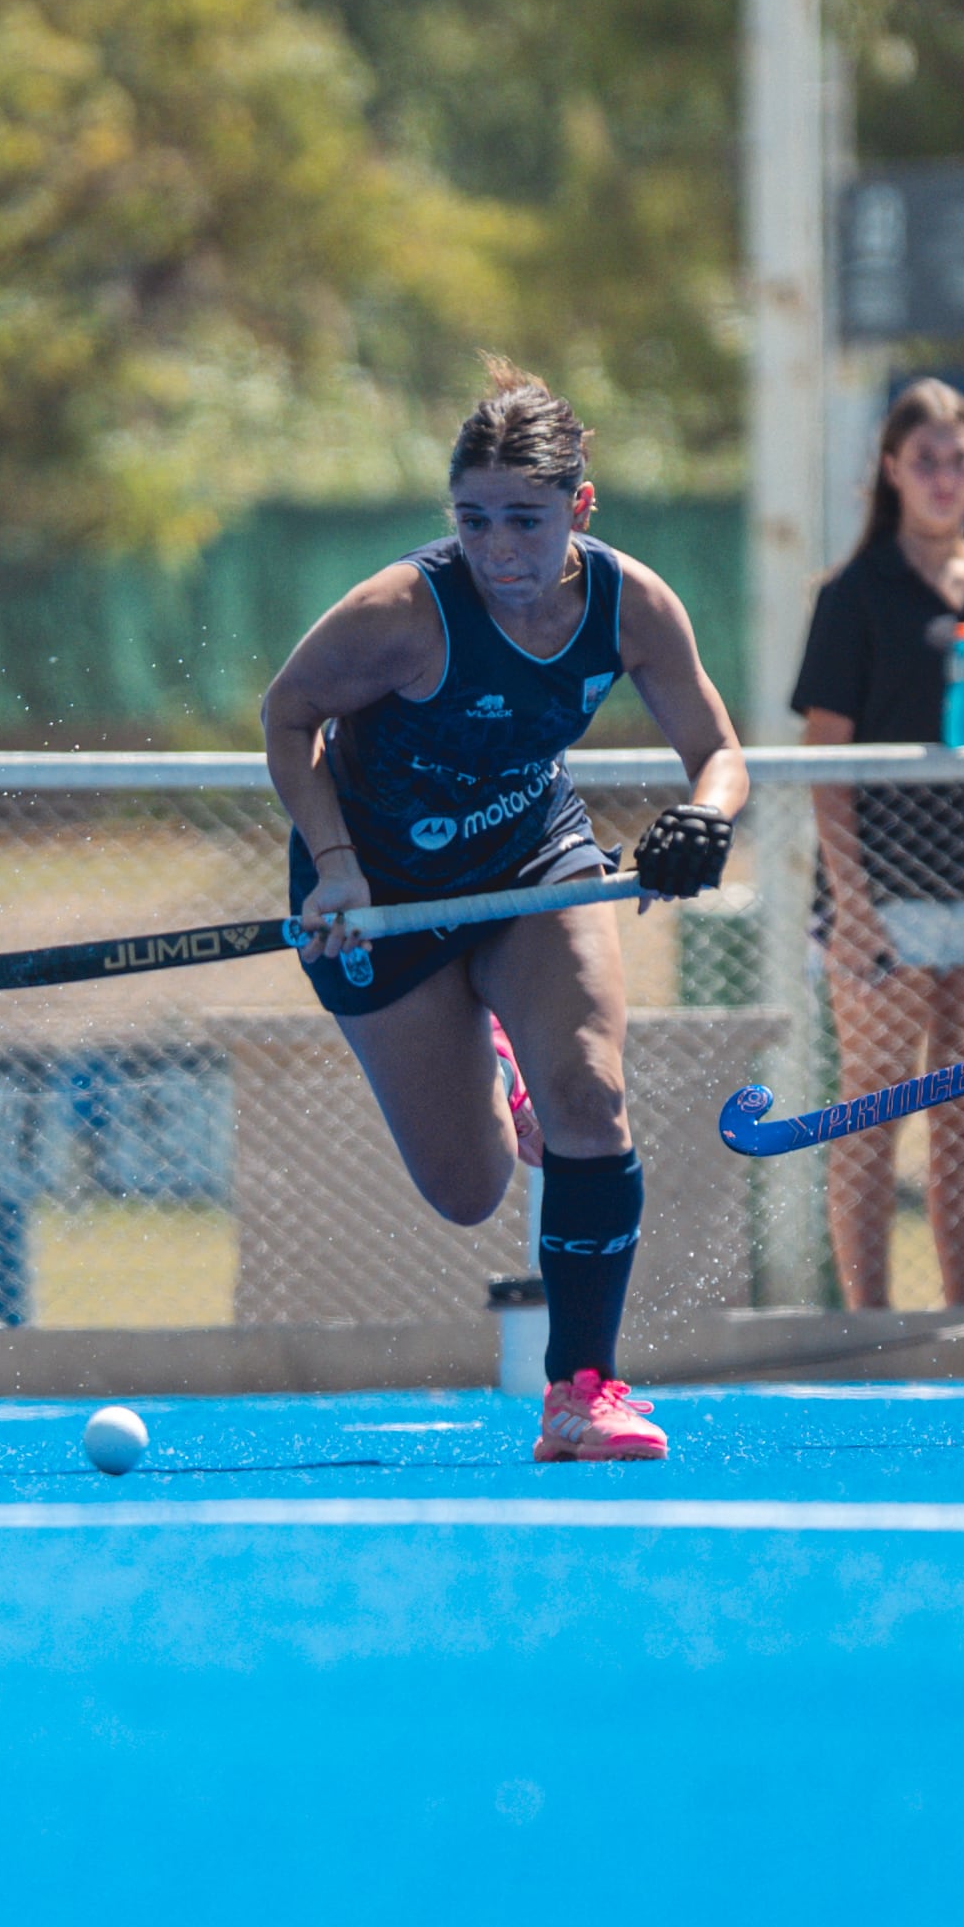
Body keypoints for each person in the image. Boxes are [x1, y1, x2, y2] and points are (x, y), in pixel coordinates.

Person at [261, 363, 745, 1461]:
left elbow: (717, 754)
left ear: (580, 507)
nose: (499, 551)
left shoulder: (633, 604)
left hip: (532, 858)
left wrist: (704, 818)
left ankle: (582, 1388)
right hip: (377, 895)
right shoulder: (398, 613)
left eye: (523, 520)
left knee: (588, 1097)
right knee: (468, 1188)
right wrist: (334, 866)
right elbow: (287, 715)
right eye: (474, 521)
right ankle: (489, 1047)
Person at [792, 379, 964, 1311]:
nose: (943, 477)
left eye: (960, 460)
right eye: (924, 460)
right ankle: (866, 1328)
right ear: (890, 470)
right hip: (881, 889)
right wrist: (850, 903)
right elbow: (824, 758)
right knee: (874, 1101)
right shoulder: (853, 593)